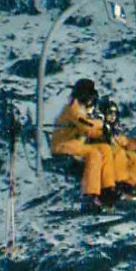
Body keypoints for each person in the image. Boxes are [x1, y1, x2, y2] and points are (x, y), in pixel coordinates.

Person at [50, 79, 116, 211]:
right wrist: (102, 126)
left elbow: (89, 129)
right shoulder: (73, 108)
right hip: (63, 145)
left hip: (74, 144)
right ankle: (89, 196)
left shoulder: (80, 108)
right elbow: (85, 125)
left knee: (105, 149)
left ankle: (107, 189)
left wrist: (104, 133)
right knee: (94, 154)